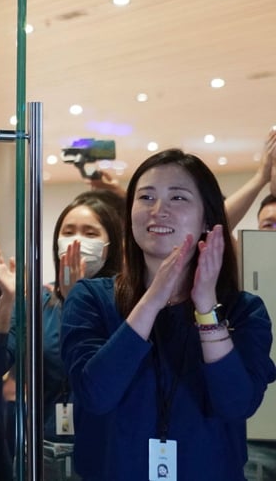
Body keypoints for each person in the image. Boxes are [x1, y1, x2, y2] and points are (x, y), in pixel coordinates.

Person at [61, 149, 276, 480]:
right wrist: (153, 298)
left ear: (207, 219)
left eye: (178, 197)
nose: (158, 210)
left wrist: (206, 308)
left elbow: (235, 405)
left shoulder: (244, 310)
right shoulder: (90, 298)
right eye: (146, 197)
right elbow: (96, 394)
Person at [0, 189, 125, 480]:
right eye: (68, 231)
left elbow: (104, 374)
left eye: (90, 233)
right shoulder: (40, 302)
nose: (76, 241)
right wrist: (9, 301)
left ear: (109, 245)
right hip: (42, 451)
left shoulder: (125, 304)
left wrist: (76, 297)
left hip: (103, 451)